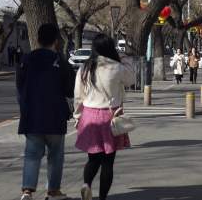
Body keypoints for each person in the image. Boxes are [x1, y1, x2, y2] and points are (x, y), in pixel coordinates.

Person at [16, 24, 75, 200]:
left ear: (38, 38)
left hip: (32, 116)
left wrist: (25, 108)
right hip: (55, 116)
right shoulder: (61, 61)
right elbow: (70, 89)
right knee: (56, 156)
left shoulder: (26, 60)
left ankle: (27, 191)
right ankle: (53, 191)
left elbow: (20, 87)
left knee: (32, 155)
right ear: (56, 41)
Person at [74, 34, 134, 200]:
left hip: (89, 116)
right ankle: (102, 198)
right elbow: (131, 79)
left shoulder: (85, 68)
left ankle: (86, 184)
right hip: (110, 116)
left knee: (93, 158)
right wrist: (123, 57)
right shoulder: (116, 67)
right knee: (108, 161)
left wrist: (77, 116)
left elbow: (78, 95)